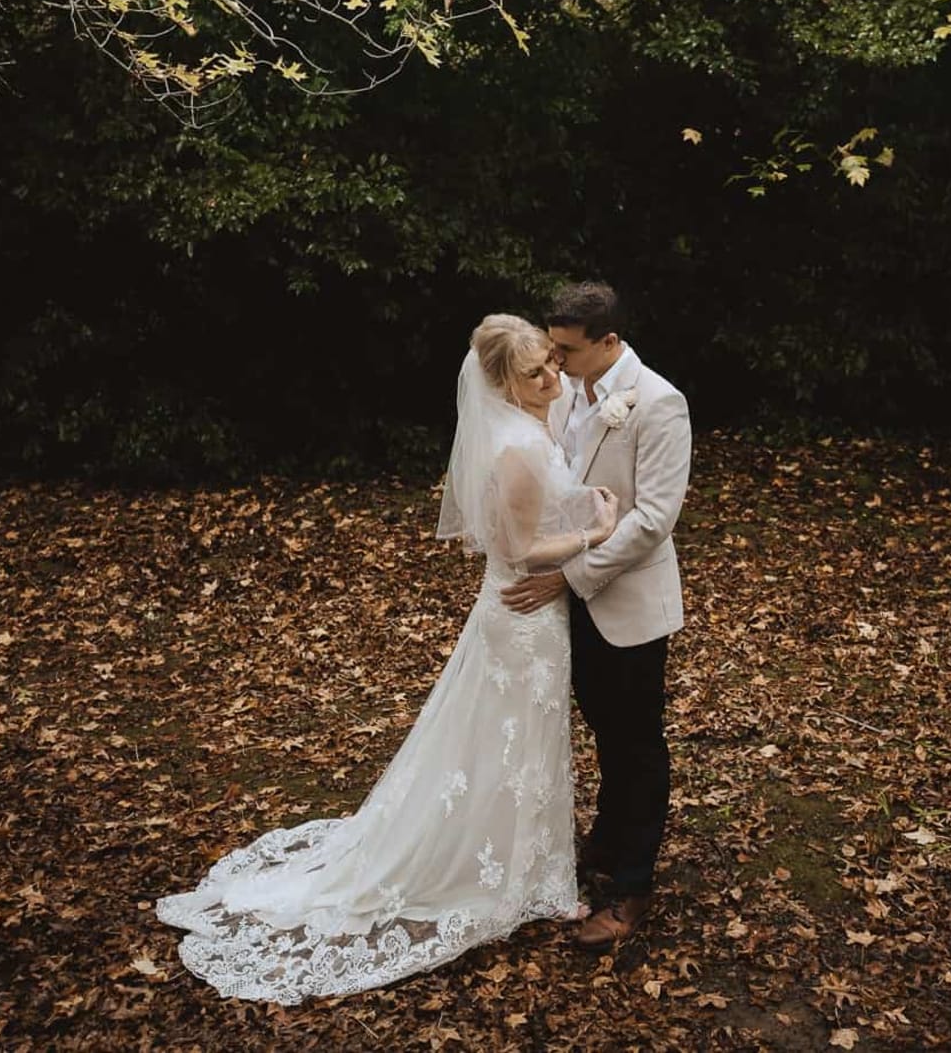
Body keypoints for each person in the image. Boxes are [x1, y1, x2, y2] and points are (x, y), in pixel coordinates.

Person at [156, 314, 618, 1003]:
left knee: (529, 738)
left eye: (553, 361)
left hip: (532, 616)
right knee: (506, 738)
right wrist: (596, 532)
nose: (553, 377)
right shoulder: (517, 449)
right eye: (536, 372)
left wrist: (579, 502)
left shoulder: (534, 424)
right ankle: (499, 874)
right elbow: (520, 550)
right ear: (502, 384)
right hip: (520, 617)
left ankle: (534, 872)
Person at [501, 282, 691, 948]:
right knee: (605, 729)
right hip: (575, 602)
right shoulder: (567, 392)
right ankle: (607, 845)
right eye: (551, 347)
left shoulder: (659, 403)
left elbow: (653, 519)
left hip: (627, 602)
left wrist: (569, 574)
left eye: (566, 349)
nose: (553, 360)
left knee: (637, 744)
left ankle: (633, 890)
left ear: (609, 342)